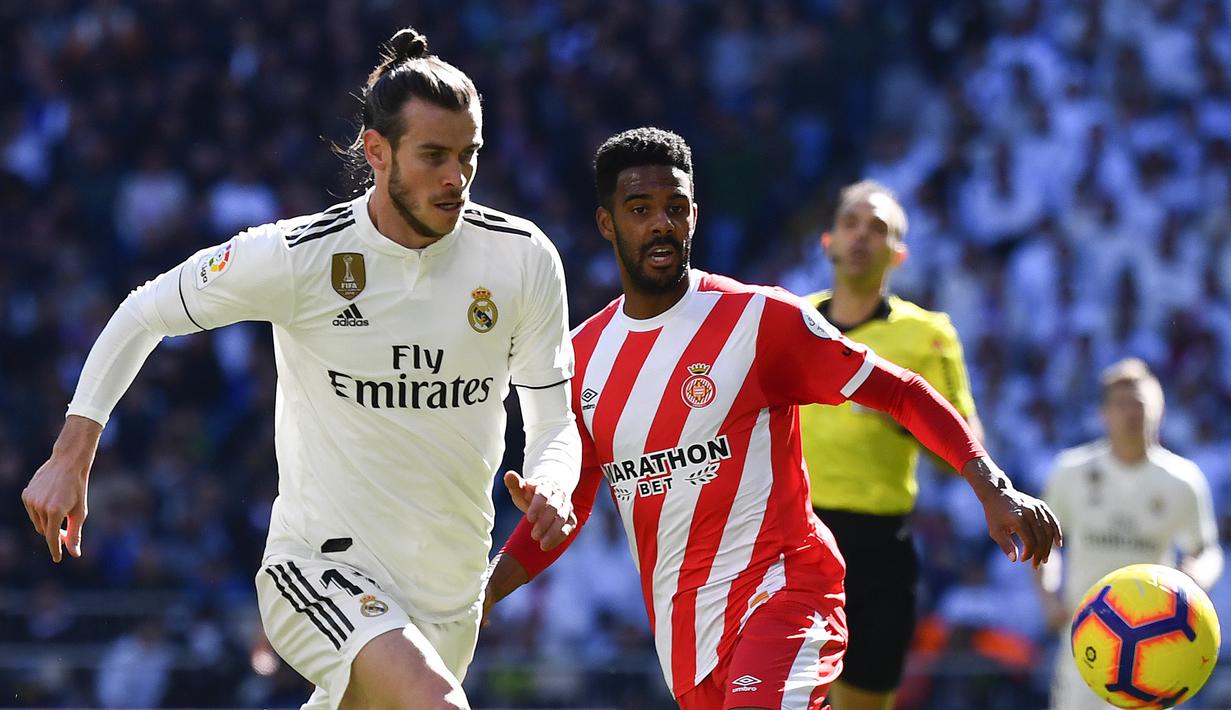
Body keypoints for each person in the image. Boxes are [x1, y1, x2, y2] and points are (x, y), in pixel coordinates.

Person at [21, 27, 581, 710]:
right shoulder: (301, 257)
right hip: (320, 567)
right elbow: (145, 312)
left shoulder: (521, 258)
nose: (455, 178)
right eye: (433, 155)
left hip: (449, 597)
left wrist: (553, 480)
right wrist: (72, 451)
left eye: (468, 156)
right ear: (377, 152)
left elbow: (554, 420)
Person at [483, 127, 1062, 710]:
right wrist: (487, 591)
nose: (661, 223)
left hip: (786, 594)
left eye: (675, 208)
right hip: (686, 637)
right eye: (640, 210)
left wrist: (994, 487)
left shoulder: (761, 320)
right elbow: (569, 508)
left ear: (694, 216)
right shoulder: (582, 359)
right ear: (607, 224)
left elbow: (903, 392)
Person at [797, 180, 983, 710]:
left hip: (878, 546)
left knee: (863, 701)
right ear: (828, 240)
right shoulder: (793, 321)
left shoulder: (928, 335)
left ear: (898, 254)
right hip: (793, 539)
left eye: (877, 229)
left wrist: (905, 419)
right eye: (851, 223)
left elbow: (966, 448)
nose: (861, 236)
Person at [1036, 358, 1223, 710]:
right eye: (1121, 404)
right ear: (1104, 413)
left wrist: (1195, 578)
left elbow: (1208, 550)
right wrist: (1048, 593)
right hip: (1088, 640)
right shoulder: (1070, 471)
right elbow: (1045, 544)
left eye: (1140, 403)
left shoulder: (1183, 480)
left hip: (1159, 648)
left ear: (1159, 409)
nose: (1131, 413)